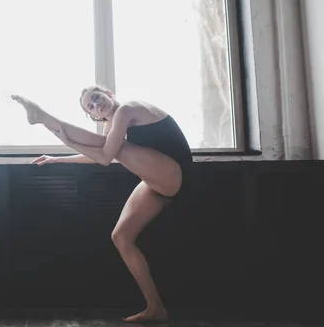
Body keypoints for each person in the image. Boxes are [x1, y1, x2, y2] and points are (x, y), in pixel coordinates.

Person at [11, 86, 193, 324]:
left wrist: (66, 139)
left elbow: (106, 156)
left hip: (174, 173)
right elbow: (100, 152)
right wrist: (58, 158)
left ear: (108, 92)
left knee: (118, 147)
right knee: (121, 237)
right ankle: (155, 308)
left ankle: (43, 117)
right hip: (155, 181)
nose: (98, 106)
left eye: (97, 98)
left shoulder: (127, 109)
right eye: (91, 107)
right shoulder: (112, 126)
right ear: (94, 116)